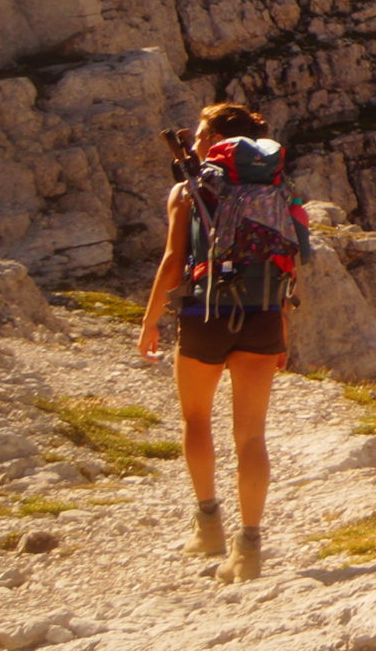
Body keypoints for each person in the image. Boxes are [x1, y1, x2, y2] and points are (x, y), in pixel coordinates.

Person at [137, 102, 303, 582]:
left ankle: (208, 524)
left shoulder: (187, 191)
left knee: (196, 419)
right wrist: (282, 329)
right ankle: (248, 549)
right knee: (251, 436)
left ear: (215, 142)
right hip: (264, 315)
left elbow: (173, 260)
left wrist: (151, 320)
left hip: (204, 315)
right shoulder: (279, 188)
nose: (192, 143)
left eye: (200, 134)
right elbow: (287, 259)